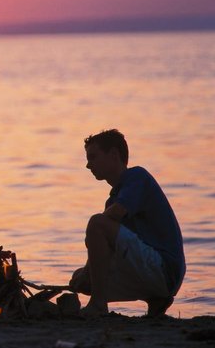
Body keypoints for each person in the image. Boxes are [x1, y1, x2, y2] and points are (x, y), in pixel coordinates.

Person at [69, 129, 186, 318]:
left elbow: (114, 215)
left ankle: (98, 305)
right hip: (161, 277)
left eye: (93, 157)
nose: (88, 165)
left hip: (165, 269)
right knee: (83, 279)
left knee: (97, 223)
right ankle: (157, 299)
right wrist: (86, 272)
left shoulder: (136, 176)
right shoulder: (113, 200)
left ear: (114, 155)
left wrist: (92, 240)